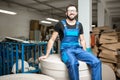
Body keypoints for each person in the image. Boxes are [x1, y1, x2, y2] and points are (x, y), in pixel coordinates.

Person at [38, 4, 102, 80]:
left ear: (76, 13)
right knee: (73, 63)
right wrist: (46, 55)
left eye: (73, 10)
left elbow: (82, 40)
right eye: (70, 10)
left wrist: (85, 52)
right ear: (66, 13)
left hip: (78, 49)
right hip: (66, 50)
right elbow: (52, 40)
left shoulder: (79, 25)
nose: (72, 12)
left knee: (96, 61)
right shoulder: (60, 24)